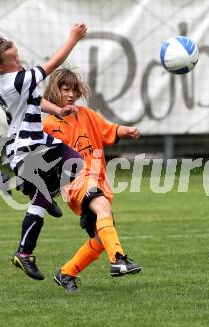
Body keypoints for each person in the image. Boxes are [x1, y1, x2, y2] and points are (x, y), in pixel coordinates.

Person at [0, 23, 87, 281]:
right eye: (12, 59)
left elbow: (34, 100)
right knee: (42, 199)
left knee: (75, 163)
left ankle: (37, 192)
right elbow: (51, 65)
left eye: (18, 55)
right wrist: (73, 38)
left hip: (41, 141)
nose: (19, 60)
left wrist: (57, 110)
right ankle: (24, 253)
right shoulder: (14, 81)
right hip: (25, 148)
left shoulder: (18, 80)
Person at [43, 68, 142, 293]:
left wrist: (126, 130)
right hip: (77, 183)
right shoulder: (49, 125)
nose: (70, 94)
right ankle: (118, 259)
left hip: (98, 179)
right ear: (53, 91)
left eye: (73, 90)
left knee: (100, 239)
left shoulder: (86, 114)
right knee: (102, 207)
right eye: (64, 89)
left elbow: (109, 130)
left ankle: (66, 273)